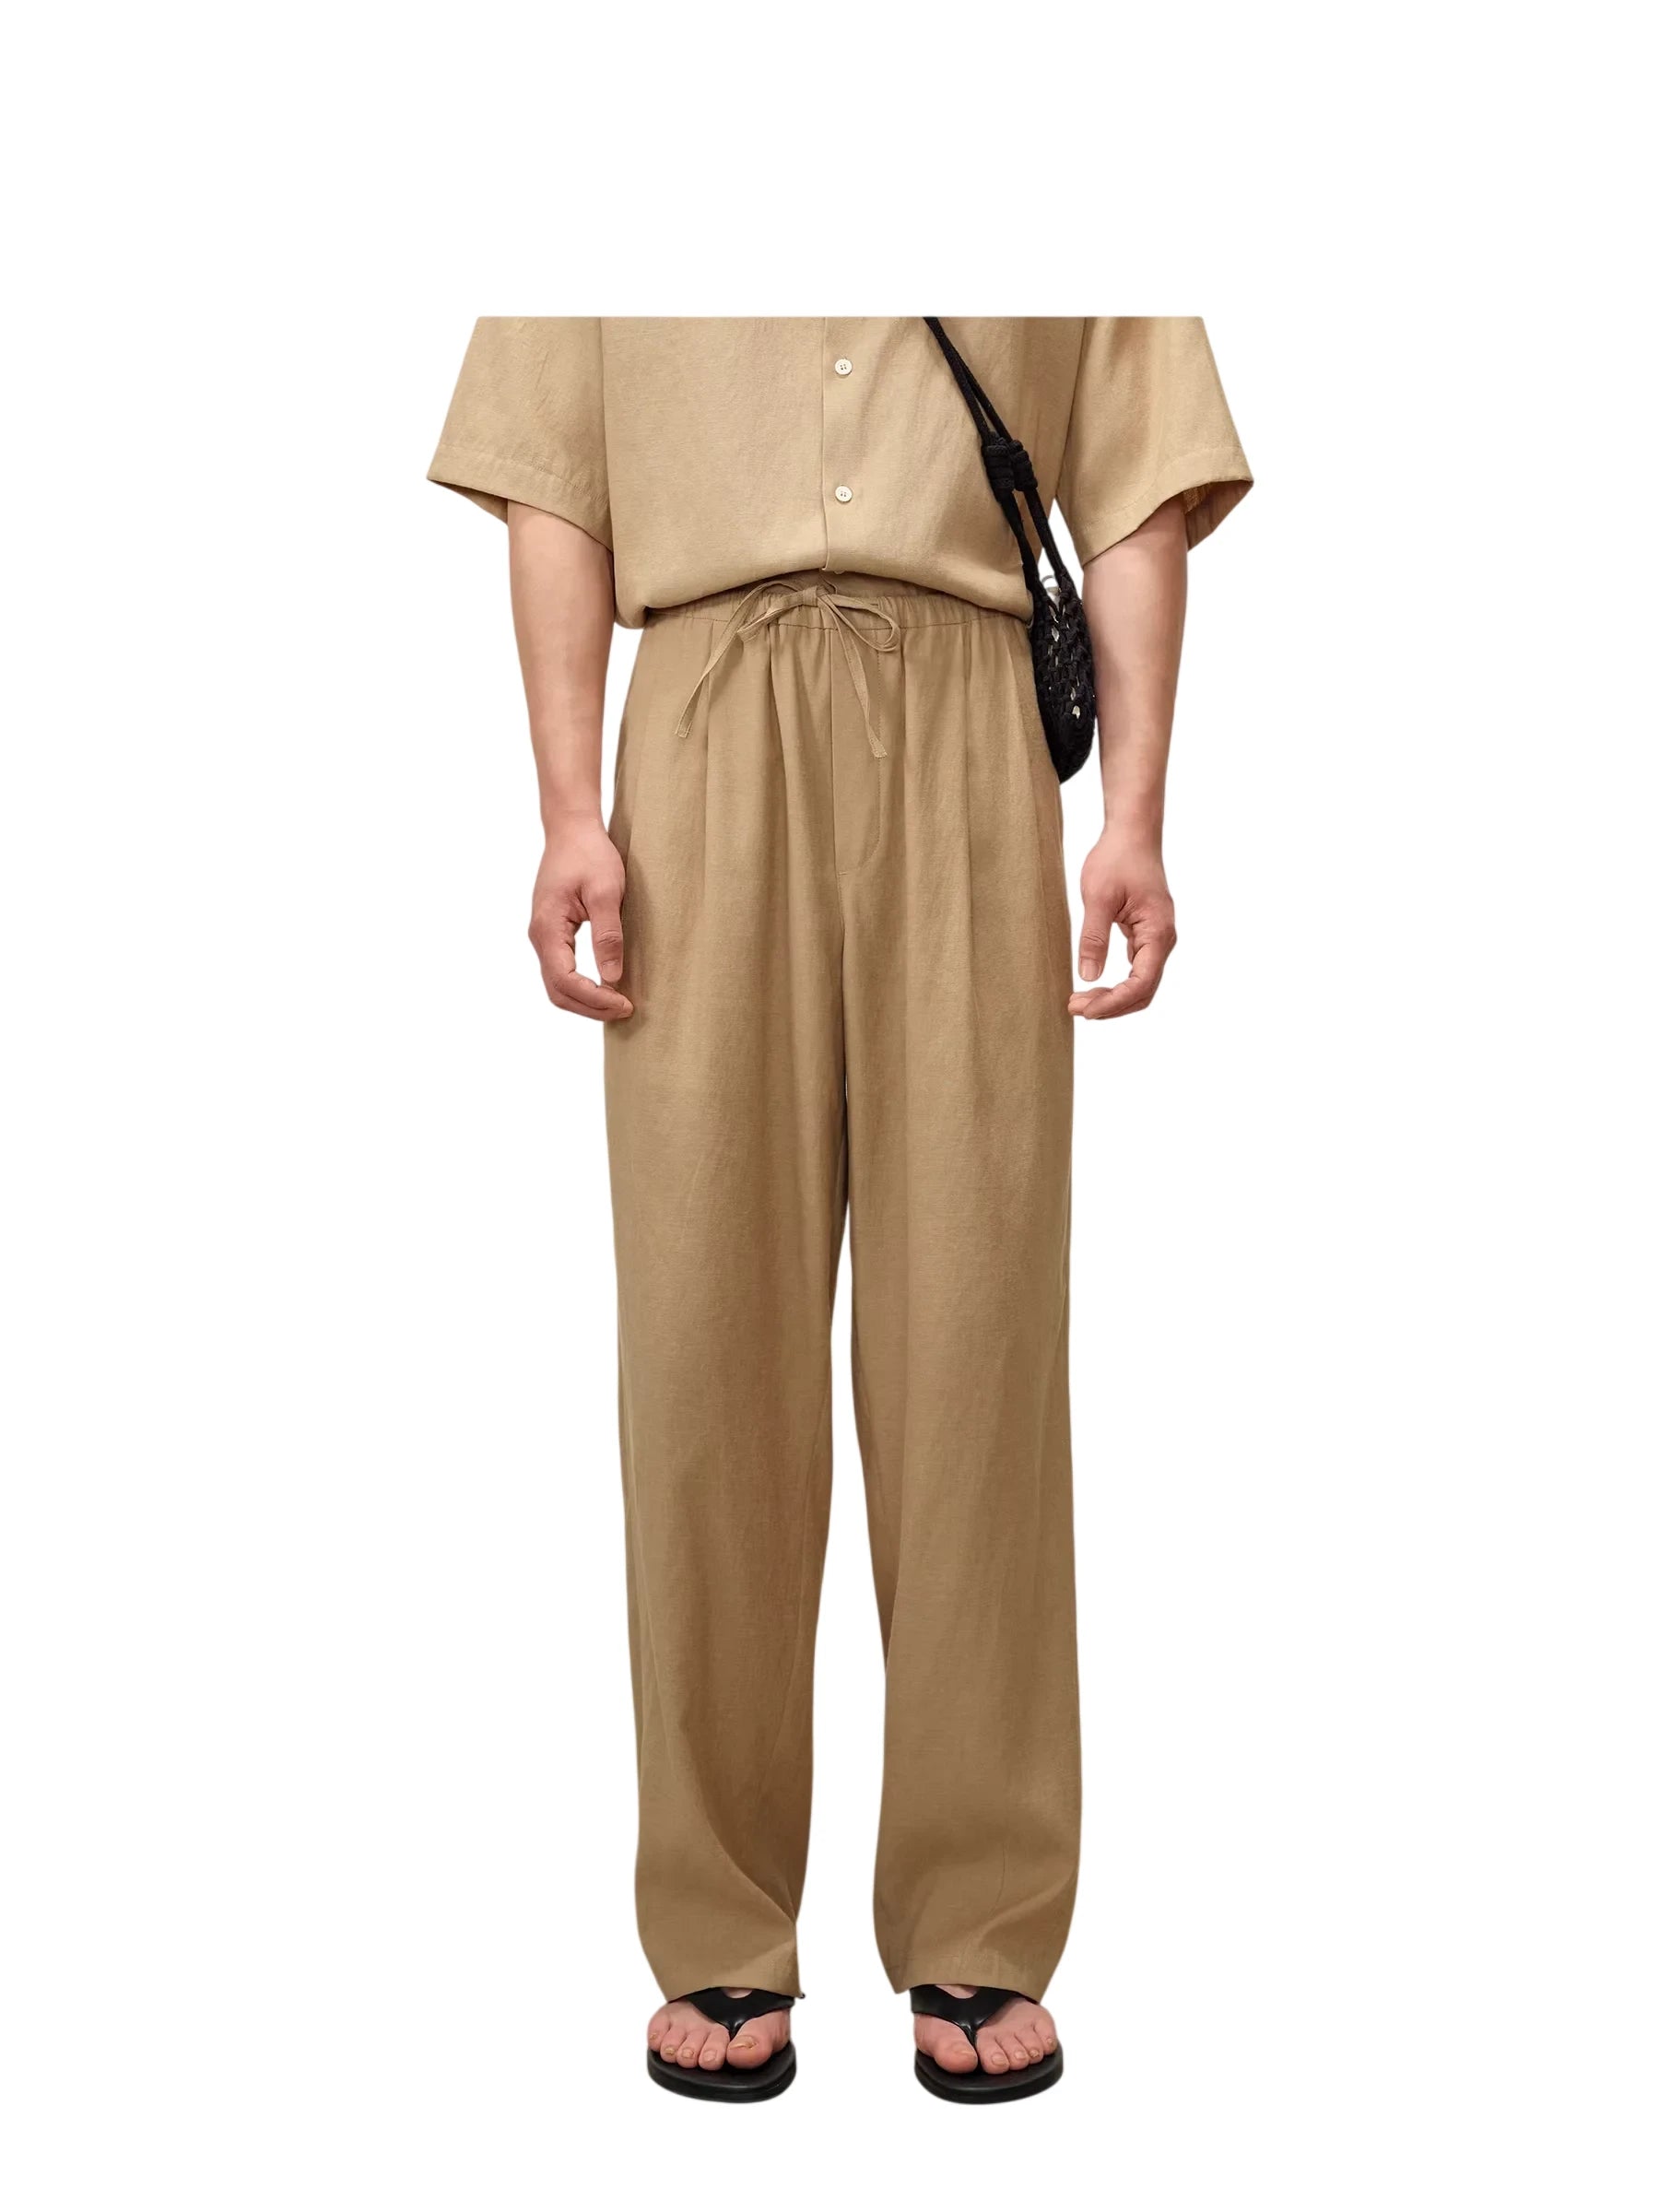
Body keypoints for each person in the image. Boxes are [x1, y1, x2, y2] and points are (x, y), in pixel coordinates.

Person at [428, 318, 1251, 2102]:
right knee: (701, 1351)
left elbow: (1134, 484)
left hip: (967, 718)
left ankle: (980, 1908)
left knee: (978, 1348)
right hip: (702, 720)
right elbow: (556, 481)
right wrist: (566, 806)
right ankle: (719, 1918)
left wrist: (1135, 814)